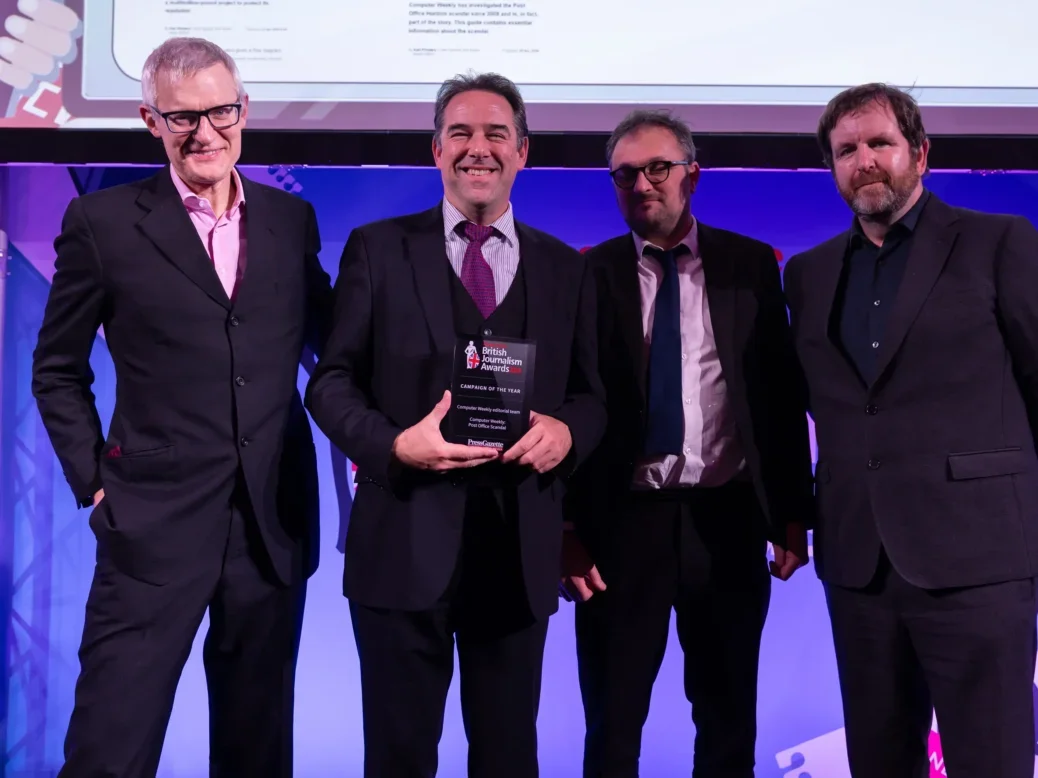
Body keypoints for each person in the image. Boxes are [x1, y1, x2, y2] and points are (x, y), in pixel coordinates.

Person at [31, 37, 332, 777]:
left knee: (257, 754)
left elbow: (335, 349)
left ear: (244, 110)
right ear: (150, 120)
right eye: (183, 117)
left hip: (270, 526)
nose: (206, 132)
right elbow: (57, 370)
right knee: (109, 750)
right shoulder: (102, 225)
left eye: (221, 111)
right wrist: (95, 482)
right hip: (150, 527)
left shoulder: (291, 223)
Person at [305, 71, 606, 778]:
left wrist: (566, 434)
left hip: (519, 555)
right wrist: (393, 445)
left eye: (497, 134)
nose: (479, 149)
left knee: (507, 759)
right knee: (400, 757)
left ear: (523, 151)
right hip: (400, 551)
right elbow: (332, 381)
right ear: (435, 150)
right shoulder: (376, 250)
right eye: (461, 134)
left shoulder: (566, 268)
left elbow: (594, 398)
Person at [783, 82, 1038, 778]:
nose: (864, 161)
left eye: (880, 144)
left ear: (919, 154)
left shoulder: (999, 243)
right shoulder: (808, 274)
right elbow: (813, 408)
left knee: (992, 762)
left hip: (979, 562)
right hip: (860, 567)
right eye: (846, 151)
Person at [564, 109, 813, 778]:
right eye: (625, 174)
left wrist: (792, 510)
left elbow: (778, 396)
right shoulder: (586, 274)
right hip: (621, 527)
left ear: (692, 176)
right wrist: (564, 527)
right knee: (612, 725)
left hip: (727, 519)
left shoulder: (751, 265)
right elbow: (565, 406)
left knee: (728, 721)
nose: (642, 184)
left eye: (658, 169)